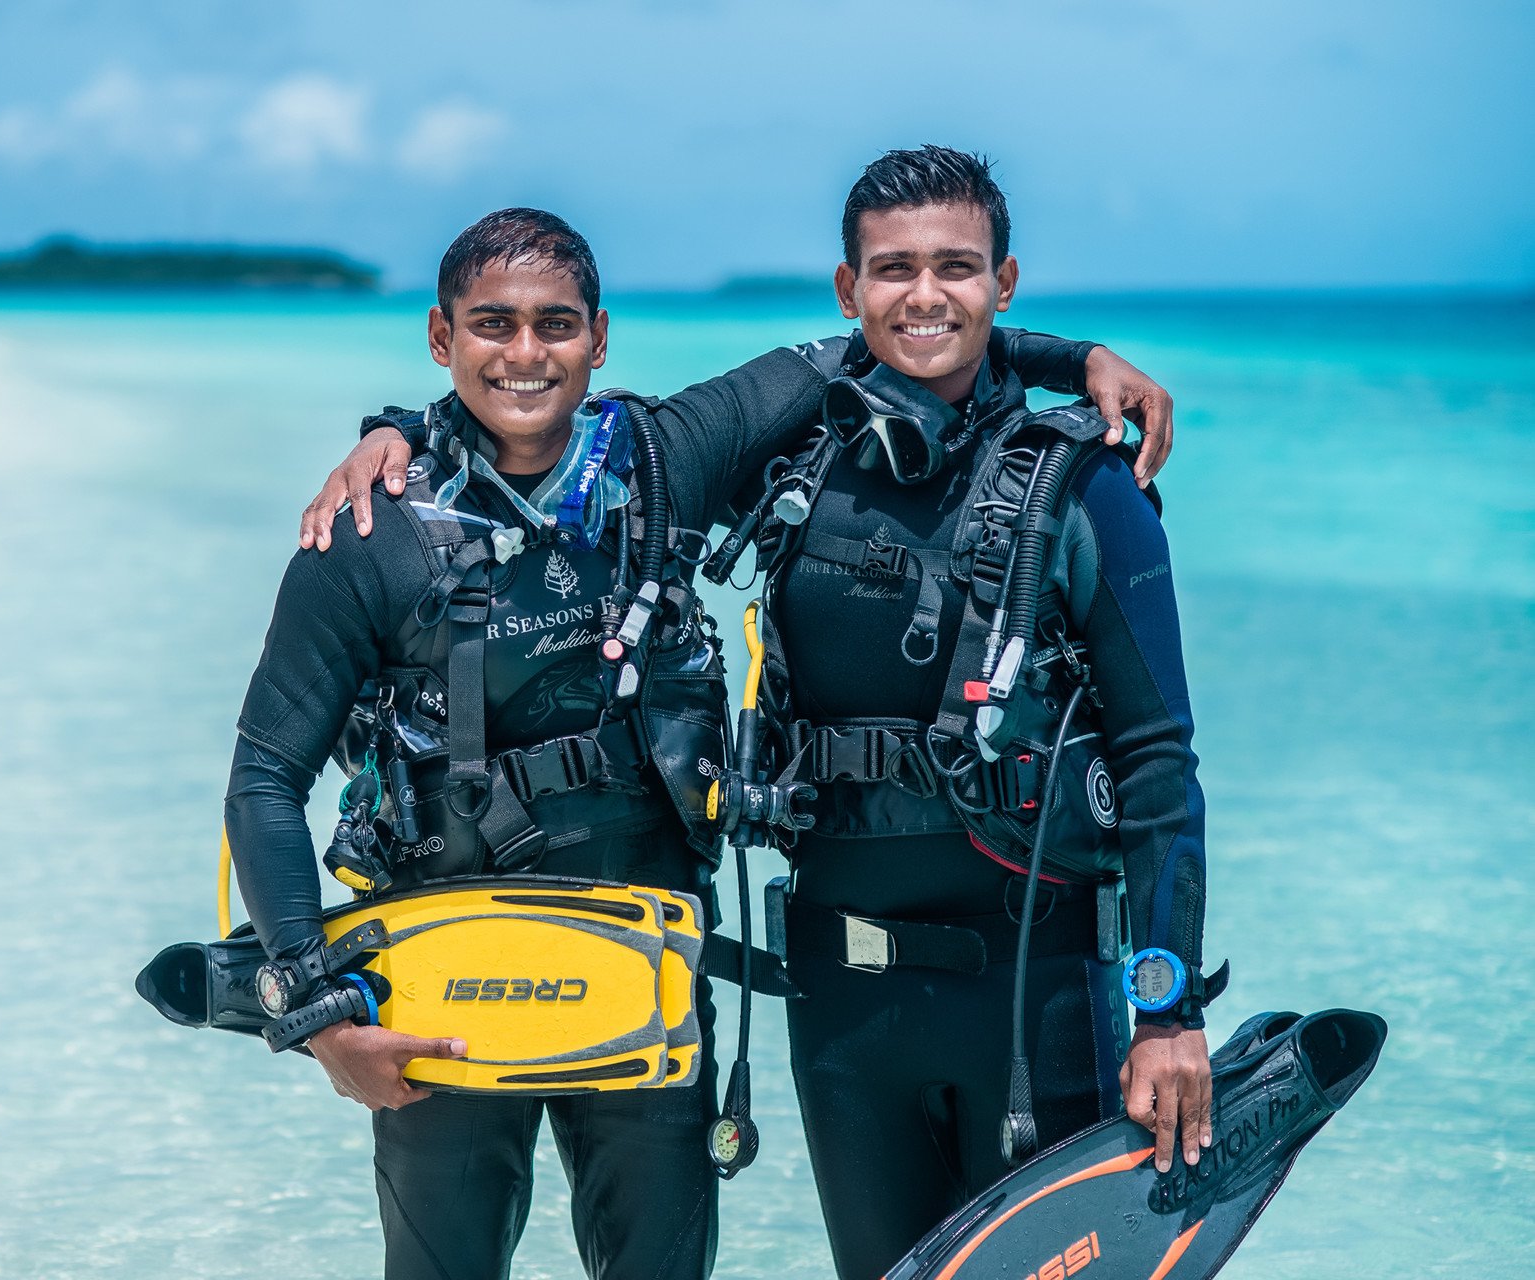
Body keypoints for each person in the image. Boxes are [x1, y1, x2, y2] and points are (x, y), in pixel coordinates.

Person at [306, 149, 1211, 1279]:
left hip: (1036, 984)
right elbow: (551, 421)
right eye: (893, 269)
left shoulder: (1088, 488)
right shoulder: (797, 455)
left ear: (1005, 280)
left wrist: (1169, 1011)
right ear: (848, 288)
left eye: (958, 267)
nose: (924, 293)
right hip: (840, 998)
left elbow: (1158, 757)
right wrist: (403, 429)